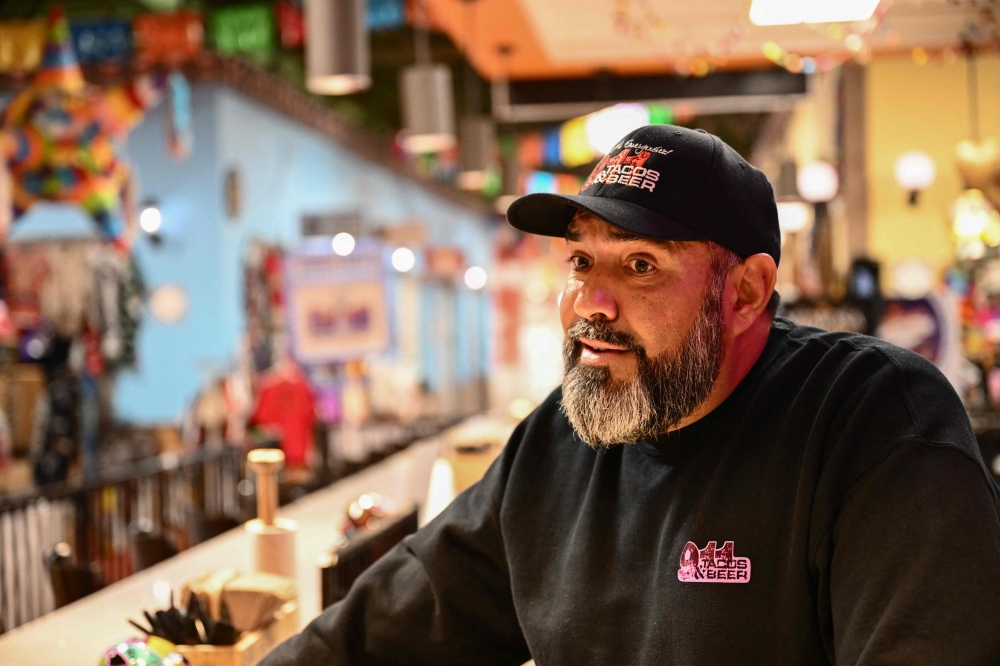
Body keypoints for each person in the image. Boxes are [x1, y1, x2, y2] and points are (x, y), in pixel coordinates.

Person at [262, 125, 1000, 665]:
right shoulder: (560, 442)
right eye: (582, 260)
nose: (592, 302)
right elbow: (386, 627)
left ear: (745, 291)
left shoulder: (877, 423)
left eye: (640, 264)